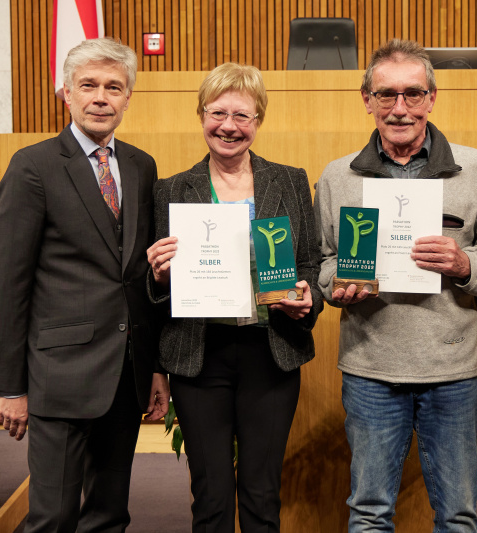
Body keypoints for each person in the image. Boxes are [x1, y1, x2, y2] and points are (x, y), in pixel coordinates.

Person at [314, 39, 477, 532]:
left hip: (450, 369)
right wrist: (335, 283)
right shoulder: (338, 176)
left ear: (431, 98)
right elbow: (321, 261)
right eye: (386, 95)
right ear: (366, 99)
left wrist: (463, 262)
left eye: (412, 93)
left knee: (457, 513)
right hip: (370, 367)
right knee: (369, 510)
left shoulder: (475, 169)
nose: (399, 108)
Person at [0, 38, 169, 532]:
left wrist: (154, 368)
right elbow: (7, 284)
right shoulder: (34, 166)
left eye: (114, 87)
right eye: (88, 85)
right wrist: (8, 387)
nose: (101, 97)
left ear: (128, 97)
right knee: (53, 517)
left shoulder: (141, 165)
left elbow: (137, 278)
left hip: (126, 375)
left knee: (110, 515)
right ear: (66, 92)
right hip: (58, 378)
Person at [146, 62, 323, 532]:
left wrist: (308, 298)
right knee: (210, 495)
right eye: (217, 112)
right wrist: (160, 276)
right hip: (200, 357)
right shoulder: (169, 192)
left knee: (263, 494)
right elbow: (154, 290)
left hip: (270, 352)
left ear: (258, 121)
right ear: (201, 116)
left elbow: (307, 265)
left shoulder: (288, 181)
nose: (229, 126)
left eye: (242, 115)